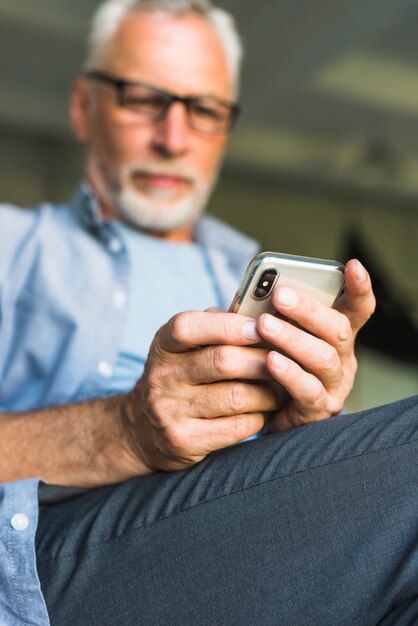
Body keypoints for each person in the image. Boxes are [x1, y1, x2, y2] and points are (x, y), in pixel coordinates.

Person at [0, 1, 416, 624]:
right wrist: (123, 429)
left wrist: (309, 430)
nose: (173, 138)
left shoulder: (260, 277)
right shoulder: (12, 246)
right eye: (143, 98)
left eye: (203, 110)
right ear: (84, 107)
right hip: (52, 564)